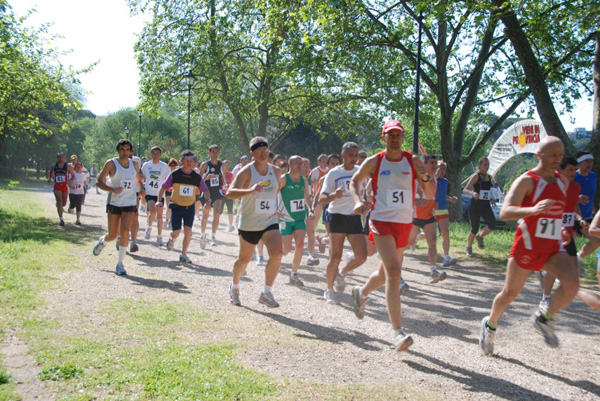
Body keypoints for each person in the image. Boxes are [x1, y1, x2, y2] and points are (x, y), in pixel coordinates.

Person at [479, 136, 579, 355]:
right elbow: (505, 212)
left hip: (552, 248)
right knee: (510, 294)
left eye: (560, 155)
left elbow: (556, 212)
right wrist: (533, 210)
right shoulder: (527, 181)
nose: (556, 159)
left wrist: (561, 228)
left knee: (572, 282)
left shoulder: (563, 182)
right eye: (552, 155)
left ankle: (545, 318)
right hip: (527, 246)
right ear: (539, 155)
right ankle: (490, 324)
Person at [350, 120, 435, 351]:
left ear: (403, 137)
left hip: (404, 224)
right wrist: (358, 201)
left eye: (398, 135)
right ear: (383, 138)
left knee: (385, 273)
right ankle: (398, 332)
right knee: (395, 273)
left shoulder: (412, 160)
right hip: (380, 221)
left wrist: (424, 177)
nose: (395, 138)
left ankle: (361, 292)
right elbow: (354, 181)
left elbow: (429, 193)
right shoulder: (375, 161)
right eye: (391, 135)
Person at [227, 136, 283, 308]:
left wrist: (277, 207)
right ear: (252, 153)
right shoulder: (247, 172)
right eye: (259, 151)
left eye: (265, 150)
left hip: (269, 220)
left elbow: (276, 190)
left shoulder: (276, 171)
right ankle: (234, 286)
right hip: (249, 222)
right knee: (244, 260)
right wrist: (250, 190)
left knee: (277, 253)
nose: (263, 153)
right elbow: (230, 193)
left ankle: (266, 292)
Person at [319, 143, 367, 304]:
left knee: (362, 256)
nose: (354, 158)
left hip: (354, 217)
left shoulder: (360, 173)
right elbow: (321, 199)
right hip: (337, 216)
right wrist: (334, 195)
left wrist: (365, 203)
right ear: (343, 155)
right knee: (335, 256)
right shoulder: (333, 173)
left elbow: (365, 195)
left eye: (356, 155)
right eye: (351, 155)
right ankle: (329, 290)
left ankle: (341, 272)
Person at [536, 157, 581, 310]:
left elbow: (574, 206)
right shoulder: (552, 185)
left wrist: (580, 219)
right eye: (569, 169)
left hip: (567, 233)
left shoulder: (576, 187)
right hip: (553, 231)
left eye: (575, 170)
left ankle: (557, 293)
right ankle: (545, 298)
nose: (573, 173)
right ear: (560, 170)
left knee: (573, 267)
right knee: (555, 267)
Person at [92, 139, 141, 275]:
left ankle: (120, 263)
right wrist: (112, 190)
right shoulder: (111, 163)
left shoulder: (135, 165)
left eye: (127, 150)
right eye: (122, 150)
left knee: (125, 231)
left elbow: (137, 181)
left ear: (131, 151)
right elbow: (98, 182)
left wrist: (142, 190)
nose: (125, 153)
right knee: (113, 235)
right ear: (118, 150)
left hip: (130, 203)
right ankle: (103, 241)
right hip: (115, 202)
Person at [157, 150, 210, 263]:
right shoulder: (175, 174)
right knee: (176, 231)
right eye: (187, 161)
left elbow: (205, 190)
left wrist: (208, 201)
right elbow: (163, 187)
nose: (189, 163)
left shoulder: (196, 177)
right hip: (176, 207)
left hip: (189, 207)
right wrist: (159, 201)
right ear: (181, 162)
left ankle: (183, 254)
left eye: (191, 161)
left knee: (188, 231)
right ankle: (172, 238)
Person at [408, 154, 448, 283]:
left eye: (435, 162)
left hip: (429, 215)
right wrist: (417, 200)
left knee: (432, 242)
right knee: (408, 243)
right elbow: (410, 193)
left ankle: (433, 270)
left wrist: (434, 203)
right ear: (423, 164)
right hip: (415, 215)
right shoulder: (416, 177)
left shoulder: (434, 178)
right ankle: (388, 258)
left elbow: (431, 194)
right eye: (432, 162)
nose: (435, 165)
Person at [278, 155, 312, 286]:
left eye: (301, 163)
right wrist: (275, 210)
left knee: (300, 246)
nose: (299, 165)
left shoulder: (304, 181)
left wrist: (311, 209)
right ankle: (275, 253)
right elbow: (273, 194)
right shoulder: (283, 179)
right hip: (285, 218)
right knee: (286, 249)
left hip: (299, 219)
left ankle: (294, 274)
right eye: (296, 163)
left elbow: (307, 198)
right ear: (289, 164)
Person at [463, 157, 497, 256]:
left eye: (488, 164)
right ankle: (468, 247)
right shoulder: (476, 176)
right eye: (485, 164)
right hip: (475, 205)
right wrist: (472, 193)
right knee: (474, 228)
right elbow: (465, 190)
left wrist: (492, 199)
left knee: (492, 224)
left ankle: (480, 237)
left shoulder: (489, 177)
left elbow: (487, 192)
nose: (487, 166)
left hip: (485, 205)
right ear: (480, 166)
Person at [141, 146, 171, 246]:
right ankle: (148, 227)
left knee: (159, 217)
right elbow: (142, 177)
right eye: (153, 153)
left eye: (157, 153)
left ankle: (159, 236)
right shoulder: (146, 165)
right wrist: (141, 187)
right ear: (151, 154)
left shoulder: (164, 166)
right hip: (149, 193)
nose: (155, 155)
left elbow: (169, 178)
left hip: (159, 194)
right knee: (152, 211)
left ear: (160, 154)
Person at [574, 152, 598, 269]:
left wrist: (592, 205)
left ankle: (578, 258)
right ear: (579, 163)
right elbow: (565, 193)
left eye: (591, 161)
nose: (590, 164)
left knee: (596, 242)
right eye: (587, 161)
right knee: (566, 246)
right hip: (572, 216)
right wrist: (577, 198)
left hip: (587, 216)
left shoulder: (593, 176)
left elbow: (590, 193)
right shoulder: (573, 177)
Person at [199, 145, 225, 247]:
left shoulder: (221, 164)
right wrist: (206, 177)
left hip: (217, 190)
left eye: (217, 152)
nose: (215, 154)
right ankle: (202, 235)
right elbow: (198, 179)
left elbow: (224, 177)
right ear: (209, 153)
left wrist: (226, 183)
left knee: (217, 213)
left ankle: (213, 236)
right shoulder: (205, 165)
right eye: (213, 152)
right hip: (207, 191)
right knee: (205, 215)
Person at [306, 154, 329, 265]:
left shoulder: (329, 170)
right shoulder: (315, 171)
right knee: (315, 219)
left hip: (328, 198)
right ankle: (312, 235)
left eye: (326, 161)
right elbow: (310, 183)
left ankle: (323, 237)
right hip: (317, 198)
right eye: (323, 161)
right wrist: (319, 182)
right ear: (319, 162)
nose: (324, 163)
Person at [435, 161, 459, 267]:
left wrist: (451, 199)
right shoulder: (430, 179)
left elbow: (444, 195)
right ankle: (413, 240)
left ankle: (446, 257)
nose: (442, 170)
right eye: (440, 168)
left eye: (444, 169)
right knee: (428, 235)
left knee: (445, 233)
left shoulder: (445, 181)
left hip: (443, 209)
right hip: (431, 210)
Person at [48, 152, 69, 226]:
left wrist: (69, 180)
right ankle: (61, 219)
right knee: (59, 201)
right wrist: (50, 178)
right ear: (57, 158)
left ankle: (59, 207)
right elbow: (51, 171)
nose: (60, 159)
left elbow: (73, 175)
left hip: (64, 186)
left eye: (62, 157)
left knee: (64, 203)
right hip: (57, 186)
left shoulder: (67, 166)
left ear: (64, 158)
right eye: (59, 157)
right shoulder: (54, 165)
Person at [220, 160, 236, 232]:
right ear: (222, 166)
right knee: (219, 211)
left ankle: (230, 225)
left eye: (228, 165)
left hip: (228, 194)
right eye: (225, 165)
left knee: (230, 210)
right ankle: (216, 222)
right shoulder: (219, 174)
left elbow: (233, 183)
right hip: (220, 194)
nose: (227, 167)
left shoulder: (231, 174)